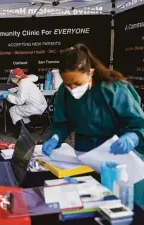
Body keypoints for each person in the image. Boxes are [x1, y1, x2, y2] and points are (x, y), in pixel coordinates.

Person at [42, 43, 144, 210]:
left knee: (126, 204)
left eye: (76, 82)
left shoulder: (113, 88)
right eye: (67, 84)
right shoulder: (64, 91)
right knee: (92, 203)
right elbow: (63, 122)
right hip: (86, 155)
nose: (71, 88)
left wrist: (134, 136)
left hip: (119, 156)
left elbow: (139, 123)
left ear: (89, 73)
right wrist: (55, 137)